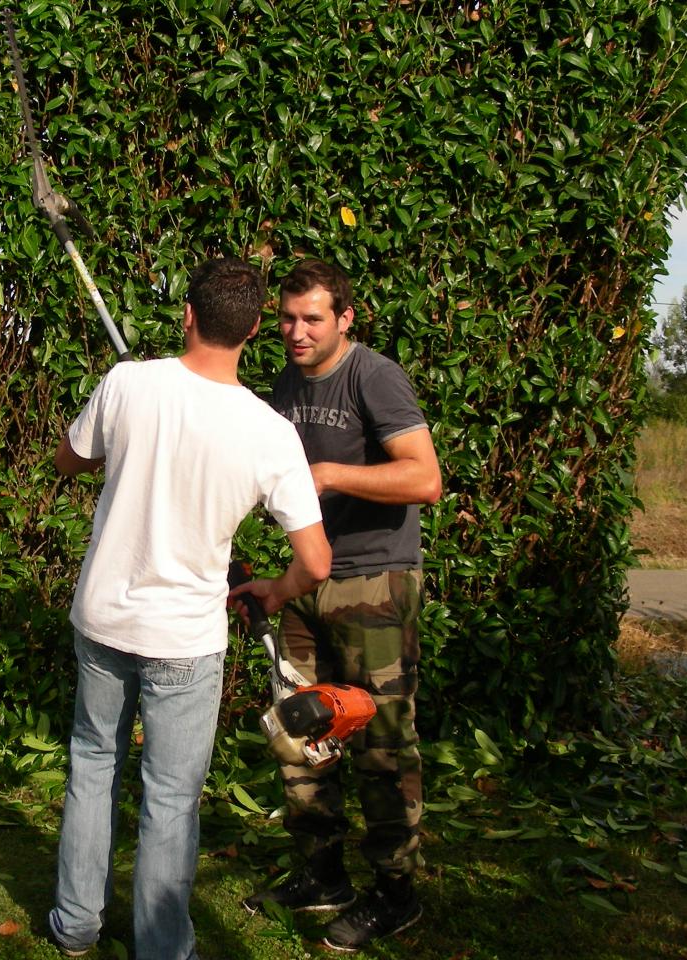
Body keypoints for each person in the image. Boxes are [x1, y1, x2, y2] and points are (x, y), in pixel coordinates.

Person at [46, 257, 332, 960]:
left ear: (188, 315)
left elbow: (67, 459)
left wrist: (113, 443)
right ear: (257, 329)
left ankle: (76, 926)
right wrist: (276, 591)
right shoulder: (269, 432)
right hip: (184, 639)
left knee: (92, 762)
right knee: (170, 798)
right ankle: (162, 948)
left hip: (105, 620)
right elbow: (317, 561)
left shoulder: (127, 383)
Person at [240, 258, 442, 953]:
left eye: (312, 319)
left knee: (381, 742)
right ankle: (321, 872)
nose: (295, 332)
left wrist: (326, 474)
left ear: (344, 319)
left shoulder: (373, 376)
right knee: (299, 731)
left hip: (374, 583)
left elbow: (425, 477)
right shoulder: (287, 381)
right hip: (305, 580)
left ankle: (395, 892)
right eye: (288, 318)